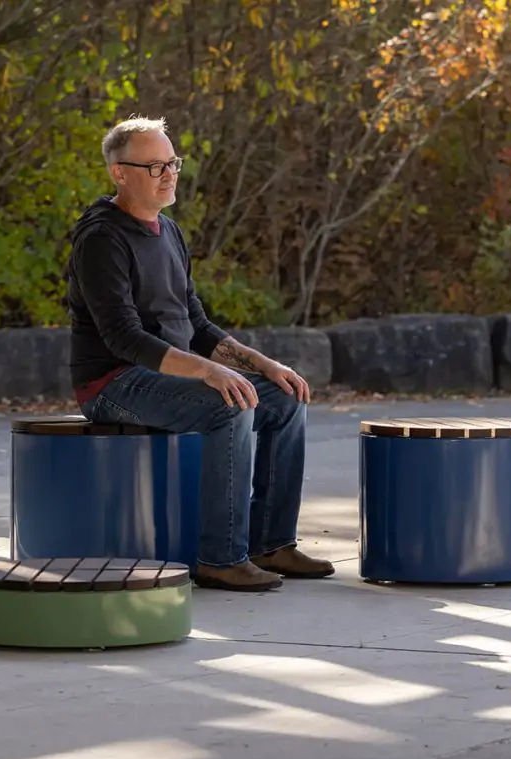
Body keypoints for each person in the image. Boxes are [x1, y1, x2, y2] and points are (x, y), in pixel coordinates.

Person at [66, 116, 334, 592]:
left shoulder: (169, 232)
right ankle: (220, 558)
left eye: (172, 163)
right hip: (113, 382)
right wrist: (209, 373)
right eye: (154, 166)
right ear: (119, 174)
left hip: (168, 376)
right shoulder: (101, 238)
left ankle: (271, 544)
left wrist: (266, 365)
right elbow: (123, 337)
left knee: (285, 398)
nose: (169, 174)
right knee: (228, 407)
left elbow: (197, 325)